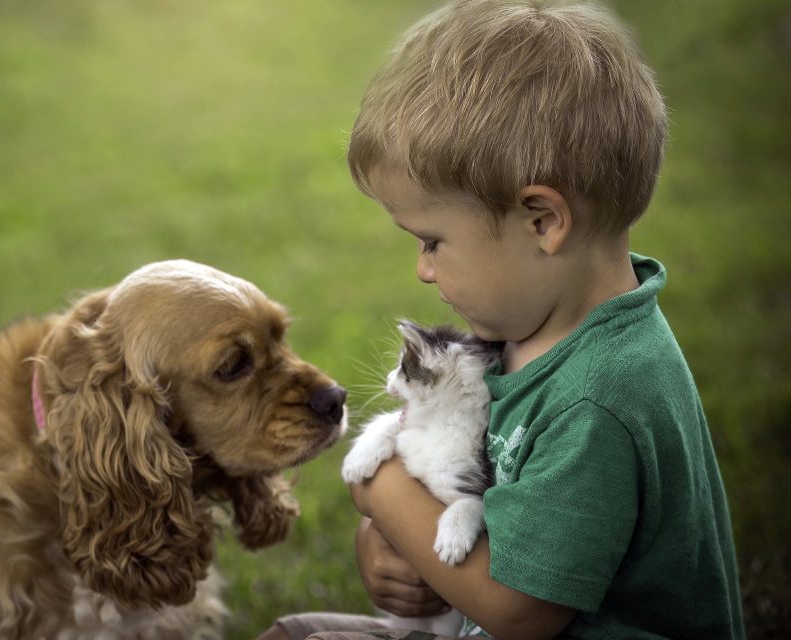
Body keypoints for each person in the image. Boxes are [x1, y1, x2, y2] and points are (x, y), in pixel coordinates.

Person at [257, 0, 745, 638]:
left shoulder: (600, 397)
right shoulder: (522, 335)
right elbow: (452, 482)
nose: (423, 271)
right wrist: (385, 545)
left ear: (542, 222)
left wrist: (380, 493)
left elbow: (521, 611)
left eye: (432, 241)